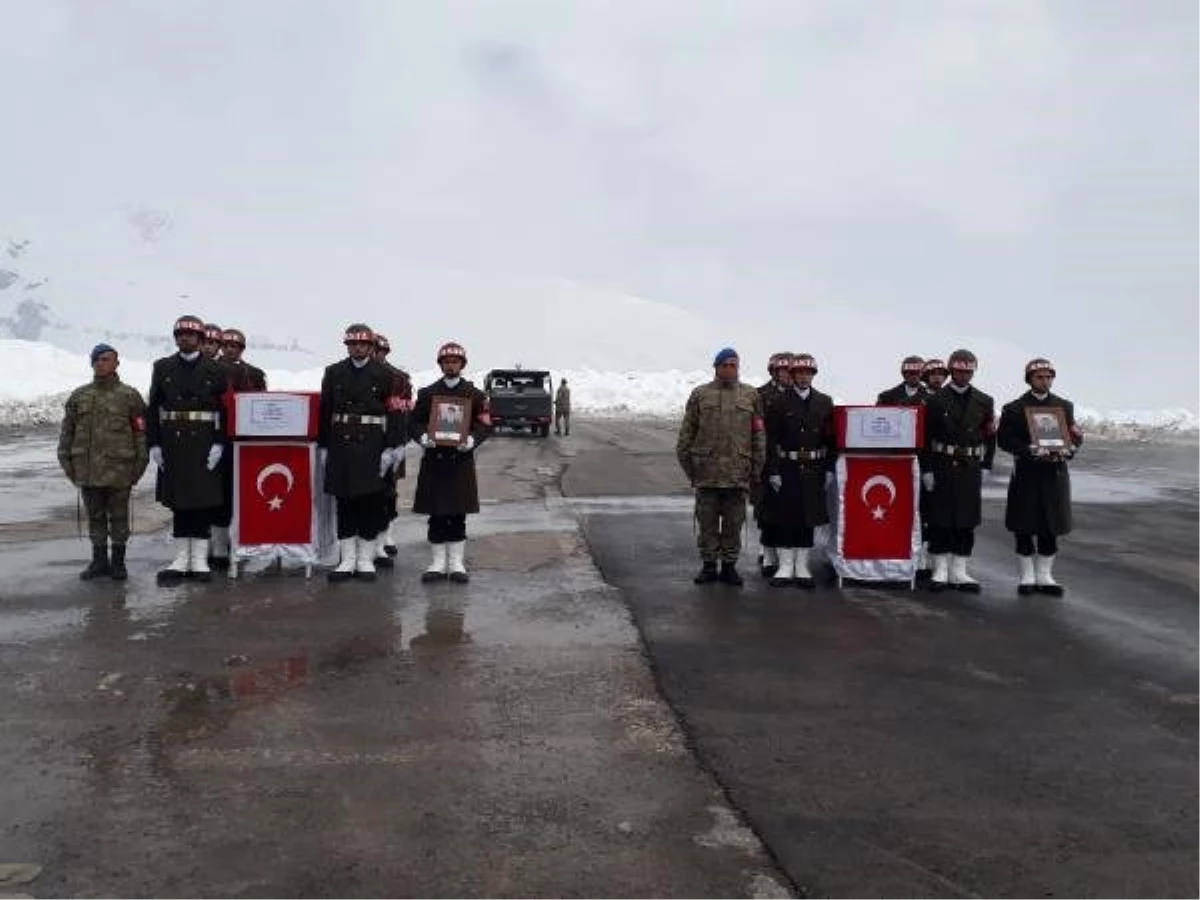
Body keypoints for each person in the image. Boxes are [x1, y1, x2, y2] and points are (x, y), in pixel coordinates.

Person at [317, 323, 407, 582]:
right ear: (347, 346)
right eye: (353, 344)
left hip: (372, 444)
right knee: (344, 502)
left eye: (363, 344)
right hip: (340, 444)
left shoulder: (387, 375)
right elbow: (325, 411)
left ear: (370, 347)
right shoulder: (334, 372)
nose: (358, 348)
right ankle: (347, 559)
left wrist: (393, 447)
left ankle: (365, 558)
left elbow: (396, 413)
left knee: (369, 502)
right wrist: (323, 446)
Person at [146, 315, 230, 582]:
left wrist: (219, 442)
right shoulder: (162, 367)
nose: (185, 338)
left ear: (201, 340)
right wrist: (154, 443)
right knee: (180, 501)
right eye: (180, 334)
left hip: (204, 441)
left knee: (202, 500)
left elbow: (223, 409)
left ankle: (199, 559)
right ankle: (182, 558)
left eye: (190, 335)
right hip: (174, 442)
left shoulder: (216, 370)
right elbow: (154, 408)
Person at [57, 343, 149, 581]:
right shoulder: (80, 396)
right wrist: (67, 463)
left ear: (117, 363)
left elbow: (141, 434)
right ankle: (99, 562)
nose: (101, 363)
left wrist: (138, 467)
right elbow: (67, 433)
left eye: (106, 359)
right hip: (87, 470)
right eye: (97, 360)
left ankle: (118, 563)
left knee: (119, 518)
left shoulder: (129, 396)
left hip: (120, 470)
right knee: (95, 517)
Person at [675, 347, 766, 586]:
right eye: (724, 365)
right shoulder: (700, 395)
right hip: (707, 474)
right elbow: (686, 436)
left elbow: (758, 436)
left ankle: (729, 566)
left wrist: (755, 469)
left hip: (738, 475)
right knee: (706, 523)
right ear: (716, 367)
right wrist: (692, 470)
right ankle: (708, 565)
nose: (729, 369)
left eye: (733, 365)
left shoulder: (751, 396)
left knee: (734, 523)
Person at [997, 358, 1083, 596]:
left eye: (1048, 377)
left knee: (1050, 524)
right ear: (1029, 380)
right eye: (1039, 377)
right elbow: (1004, 440)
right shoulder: (1013, 408)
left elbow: (1074, 435)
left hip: (1054, 474)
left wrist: (1071, 448)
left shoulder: (1064, 406)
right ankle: (1026, 575)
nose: (1045, 381)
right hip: (1027, 474)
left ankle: (1045, 576)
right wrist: (1029, 449)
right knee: (1024, 524)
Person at [409, 342, 492, 583]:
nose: (450, 365)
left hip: (460, 462)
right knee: (435, 513)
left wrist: (472, 439)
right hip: (435, 461)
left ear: (462, 365)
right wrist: (423, 436)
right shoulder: (427, 393)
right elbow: (413, 421)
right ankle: (436, 562)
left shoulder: (475, 395)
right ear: (441, 365)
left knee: (457, 513)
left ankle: (456, 563)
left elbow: (485, 424)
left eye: (455, 362)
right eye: (446, 362)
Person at [920, 348, 996, 592]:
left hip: (970, 466)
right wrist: (927, 470)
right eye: (959, 371)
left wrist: (986, 465)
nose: (964, 375)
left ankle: (959, 570)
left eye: (968, 371)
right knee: (940, 519)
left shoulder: (984, 401)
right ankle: (940, 570)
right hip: (942, 464)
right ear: (951, 370)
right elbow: (924, 438)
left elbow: (990, 436)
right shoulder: (934, 400)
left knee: (966, 520)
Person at [760, 353, 836, 588]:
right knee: (785, 517)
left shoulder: (824, 402)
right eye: (799, 372)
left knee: (806, 518)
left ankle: (801, 567)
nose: (803, 377)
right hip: (786, 467)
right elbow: (771, 439)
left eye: (807, 372)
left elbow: (830, 439)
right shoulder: (779, 402)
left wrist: (829, 469)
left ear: (813, 375)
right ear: (792, 375)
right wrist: (772, 470)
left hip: (813, 469)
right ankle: (784, 567)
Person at [206, 328, 268, 569]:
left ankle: (239, 541)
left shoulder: (253, 374)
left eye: (236, 346)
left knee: (241, 493)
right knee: (216, 493)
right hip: (216, 439)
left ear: (242, 349)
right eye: (227, 345)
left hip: (245, 441)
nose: (231, 350)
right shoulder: (209, 370)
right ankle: (218, 545)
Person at [877, 355, 933, 577]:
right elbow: (877, 430)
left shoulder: (932, 398)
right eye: (909, 373)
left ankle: (920, 557)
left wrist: (929, 467)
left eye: (917, 373)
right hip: (895, 463)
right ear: (903, 374)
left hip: (922, 460)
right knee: (896, 509)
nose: (913, 377)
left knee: (922, 511)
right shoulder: (888, 396)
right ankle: (892, 553)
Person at [370, 332, 413, 566]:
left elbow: (403, 417)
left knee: (389, 492)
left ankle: (387, 536)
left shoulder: (400, 379)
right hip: (365, 444)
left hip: (393, 443)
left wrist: (399, 445)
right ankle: (365, 537)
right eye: (374, 349)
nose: (376, 354)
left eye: (380, 350)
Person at [755, 352, 793, 576]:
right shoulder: (760, 395)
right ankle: (767, 549)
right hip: (765, 457)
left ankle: (782, 549)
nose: (788, 375)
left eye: (791, 370)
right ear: (774, 371)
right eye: (783, 370)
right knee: (765, 508)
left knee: (786, 509)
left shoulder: (798, 396)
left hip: (789, 461)